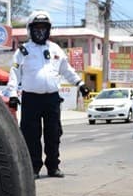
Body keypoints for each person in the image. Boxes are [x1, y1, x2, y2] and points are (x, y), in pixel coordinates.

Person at [7, 10, 90, 179]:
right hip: (31, 99)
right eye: (36, 28)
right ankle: (34, 168)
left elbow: (67, 70)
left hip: (51, 99)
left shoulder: (55, 49)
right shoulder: (23, 51)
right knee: (31, 135)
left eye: (43, 28)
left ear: (48, 30)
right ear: (30, 30)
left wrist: (80, 84)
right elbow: (14, 73)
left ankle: (53, 167)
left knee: (53, 134)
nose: (40, 31)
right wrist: (12, 95)